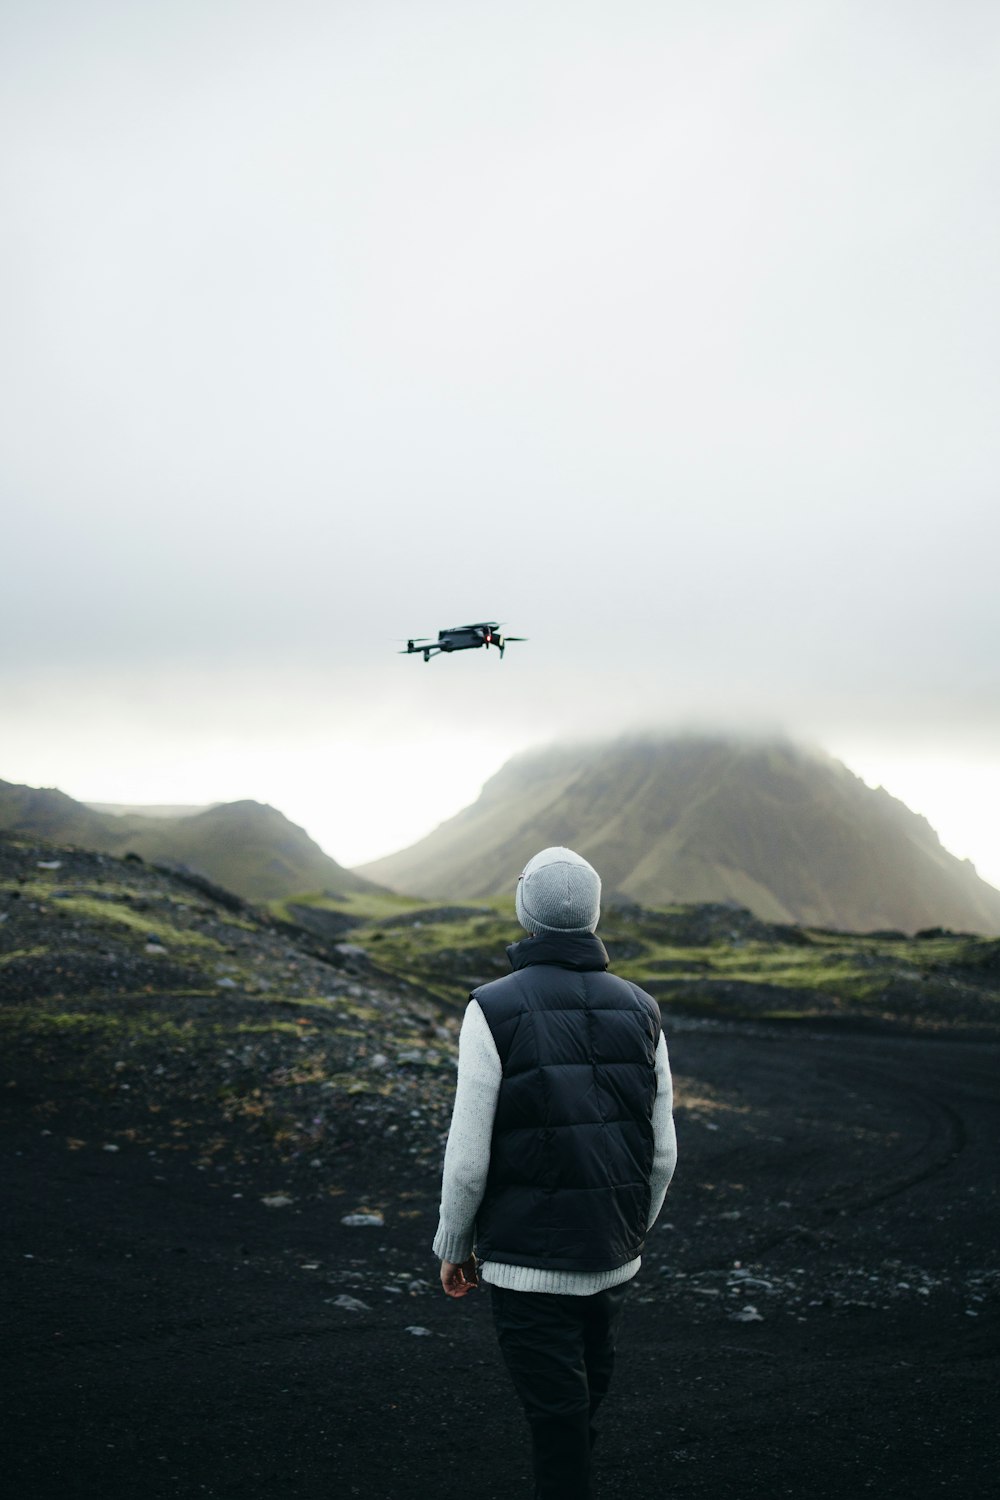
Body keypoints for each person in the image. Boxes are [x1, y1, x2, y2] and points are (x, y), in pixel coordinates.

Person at [433, 846, 677, 1500]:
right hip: (612, 1257)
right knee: (580, 1406)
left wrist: (455, 1246)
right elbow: (663, 1153)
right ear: (594, 914)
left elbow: (467, 1154)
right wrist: (629, 1230)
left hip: (526, 1263)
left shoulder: (491, 1007)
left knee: (557, 1420)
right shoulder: (644, 1010)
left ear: (524, 909)